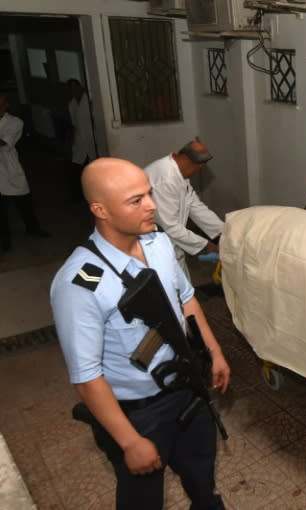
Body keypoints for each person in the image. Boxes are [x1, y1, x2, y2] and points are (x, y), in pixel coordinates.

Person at [50, 157, 230, 510]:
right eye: (136, 200)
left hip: (185, 387)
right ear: (100, 209)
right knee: (142, 499)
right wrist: (129, 441)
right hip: (138, 412)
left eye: (149, 194)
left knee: (201, 478)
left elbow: (187, 300)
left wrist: (214, 352)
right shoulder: (80, 284)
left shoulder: (158, 244)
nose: (152, 206)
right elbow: (86, 377)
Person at [144, 139, 224, 280]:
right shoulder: (165, 179)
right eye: (199, 167)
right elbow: (169, 226)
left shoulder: (179, 172)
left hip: (173, 245)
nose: (199, 171)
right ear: (190, 162)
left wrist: (224, 233)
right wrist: (205, 245)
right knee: (171, 292)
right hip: (157, 248)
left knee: (183, 290)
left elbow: (195, 206)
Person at [0, 94, 50, 252]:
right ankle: (4, 242)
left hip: (10, 168)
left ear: (7, 105)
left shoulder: (15, 122)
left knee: (24, 202)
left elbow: (4, 143)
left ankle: (33, 228)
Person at [67, 78, 97, 202]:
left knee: (93, 168)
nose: (74, 90)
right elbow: (75, 124)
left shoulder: (89, 100)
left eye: (75, 87)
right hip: (80, 140)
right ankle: (78, 196)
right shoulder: (72, 104)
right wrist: (73, 142)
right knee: (76, 169)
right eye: (71, 89)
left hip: (92, 138)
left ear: (80, 87)